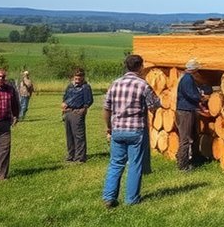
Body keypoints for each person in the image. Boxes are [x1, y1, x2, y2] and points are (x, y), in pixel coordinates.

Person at [103, 54, 160, 207]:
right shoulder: (143, 85)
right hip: (136, 130)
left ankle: (109, 197)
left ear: (126, 66)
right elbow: (154, 104)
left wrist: (108, 127)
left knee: (115, 163)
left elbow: (106, 108)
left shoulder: (115, 84)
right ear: (140, 67)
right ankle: (131, 199)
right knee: (135, 164)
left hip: (118, 130)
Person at [175, 58, 209, 172]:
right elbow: (190, 94)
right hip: (185, 110)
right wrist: (202, 98)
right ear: (194, 69)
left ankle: (195, 157)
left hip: (189, 109)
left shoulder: (187, 78)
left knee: (194, 135)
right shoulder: (187, 79)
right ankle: (183, 164)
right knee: (185, 138)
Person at [62, 68, 94, 163]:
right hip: (68, 112)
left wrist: (83, 110)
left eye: (80, 76)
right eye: (76, 76)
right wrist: (64, 104)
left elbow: (89, 100)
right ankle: (71, 155)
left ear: (83, 77)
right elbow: (65, 97)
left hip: (77, 112)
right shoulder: (70, 86)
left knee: (78, 135)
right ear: (73, 77)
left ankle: (80, 157)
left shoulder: (86, 87)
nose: (78, 78)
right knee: (69, 135)